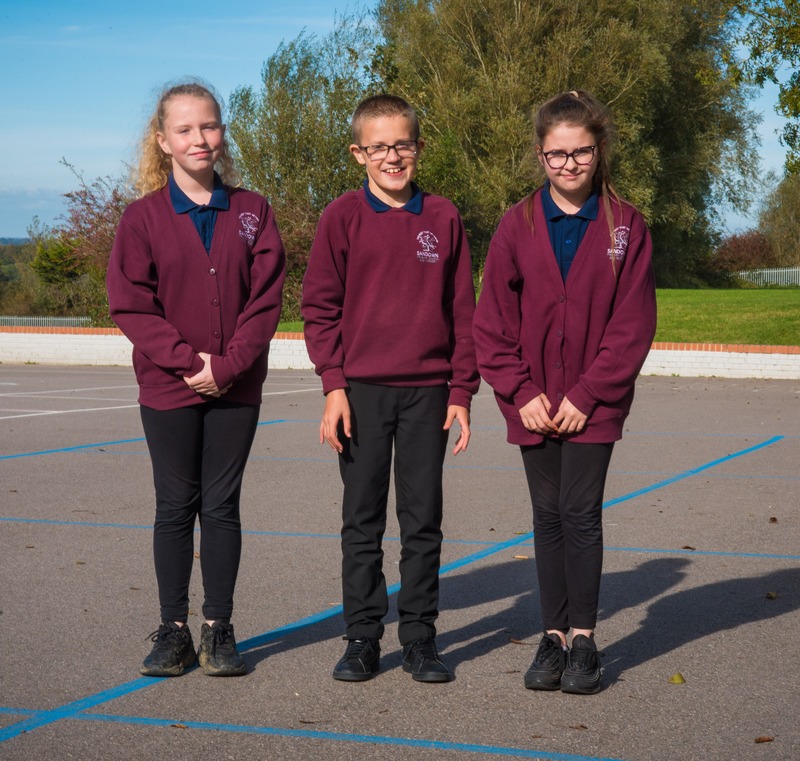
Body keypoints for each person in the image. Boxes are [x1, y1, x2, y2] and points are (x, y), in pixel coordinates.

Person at [473, 90, 657, 695]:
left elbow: (632, 325)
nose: (569, 165)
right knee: (546, 518)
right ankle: (550, 639)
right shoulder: (517, 222)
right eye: (556, 155)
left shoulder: (625, 225)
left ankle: (583, 640)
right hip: (532, 402)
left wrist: (586, 395)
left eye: (580, 152)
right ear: (540, 154)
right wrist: (520, 390)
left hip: (591, 405)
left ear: (599, 151)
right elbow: (491, 321)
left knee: (580, 514)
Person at [107, 81, 285, 678]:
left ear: (222, 132)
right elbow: (131, 304)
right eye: (184, 129)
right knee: (175, 506)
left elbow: (266, 301)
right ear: (163, 142)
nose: (199, 138)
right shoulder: (142, 219)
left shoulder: (253, 210)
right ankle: (172, 630)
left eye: (208, 126)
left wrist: (228, 366)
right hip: (167, 387)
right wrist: (189, 363)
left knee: (223, 505)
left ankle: (219, 628)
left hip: (237, 387)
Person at [301, 94, 479, 683]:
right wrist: (333, 386)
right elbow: (320, 308)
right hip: (360, 392)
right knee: (363, 521)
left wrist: (462, 392)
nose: (392, 156)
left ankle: (420, 638)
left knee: (423, 519)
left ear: (419, 147)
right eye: (378, 146)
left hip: (428, 392)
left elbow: (462, 312)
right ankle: (361, 637)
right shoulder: (342, 217)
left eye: (402, 143)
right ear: (359, 154)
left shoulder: (444, 217)